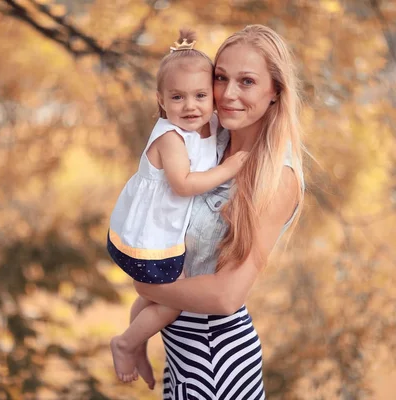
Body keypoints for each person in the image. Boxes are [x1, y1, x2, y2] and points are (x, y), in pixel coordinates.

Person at [134, 24, 305, 399]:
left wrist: (146, 287)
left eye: (246, 82)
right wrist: (137, 336)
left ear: (275, 91)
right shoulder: (207, 141)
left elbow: (227, 294)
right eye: (221, 78)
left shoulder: (277, 177)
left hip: (216, 358)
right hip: (179, 350)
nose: (228, 94)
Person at [107, 29, 248, 388]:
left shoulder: (207, 123)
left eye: (201, 95)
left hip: (161, 233)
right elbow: (183, 184)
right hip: (149, 238)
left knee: (160, 293)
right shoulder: (171, 136)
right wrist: (228, 169)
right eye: (178, 97)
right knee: (170, 304)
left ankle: (137, 337)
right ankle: (126, 343)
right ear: (161, 100)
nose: (190, 106)